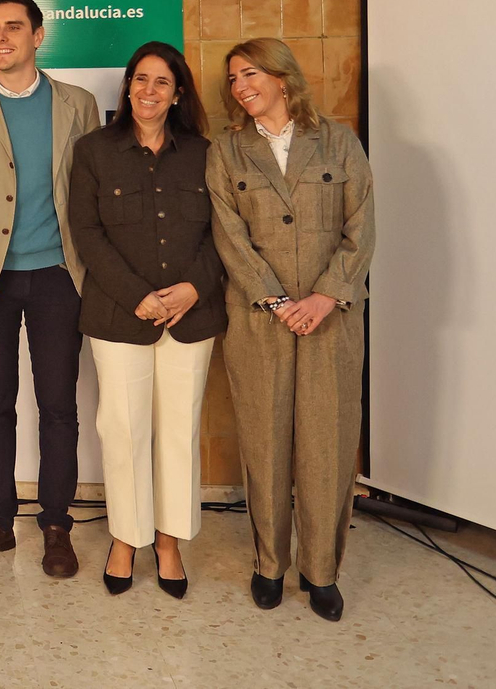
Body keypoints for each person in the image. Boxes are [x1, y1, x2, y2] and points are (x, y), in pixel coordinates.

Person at [207, 37, 374, 622]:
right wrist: (278, 300)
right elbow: (229, 238)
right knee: (266, 442)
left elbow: (361, 228)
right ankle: (269, 564)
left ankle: (321, 572)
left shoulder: (338, 141)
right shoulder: (226, 152)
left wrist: (326, 295)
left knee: (327, 445)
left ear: (282, 77)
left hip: (331, 320)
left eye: (250, 73)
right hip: (261, 320)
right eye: (232, 79)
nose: (240, 86)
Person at [0, 0, 100, 577]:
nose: (1, 38)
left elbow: (91, 193)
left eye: (13, 27)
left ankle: (57, 524)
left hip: (61, 276)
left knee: (59, 407)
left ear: (38, 35)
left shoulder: (78, 105)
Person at [68, 41, 225, 598]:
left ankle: (168, 541)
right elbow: (87, 234)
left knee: (178, 431)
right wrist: (138, 295)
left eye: (161, 82)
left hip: (192, 314)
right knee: (124, 429)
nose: (148, 91)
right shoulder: (94, 150)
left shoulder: (207, 153)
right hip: (119, 313)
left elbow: (224, 234)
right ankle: (125, 538)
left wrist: (192, 288)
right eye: (140, 80)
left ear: (177, 93)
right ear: (127, 87)